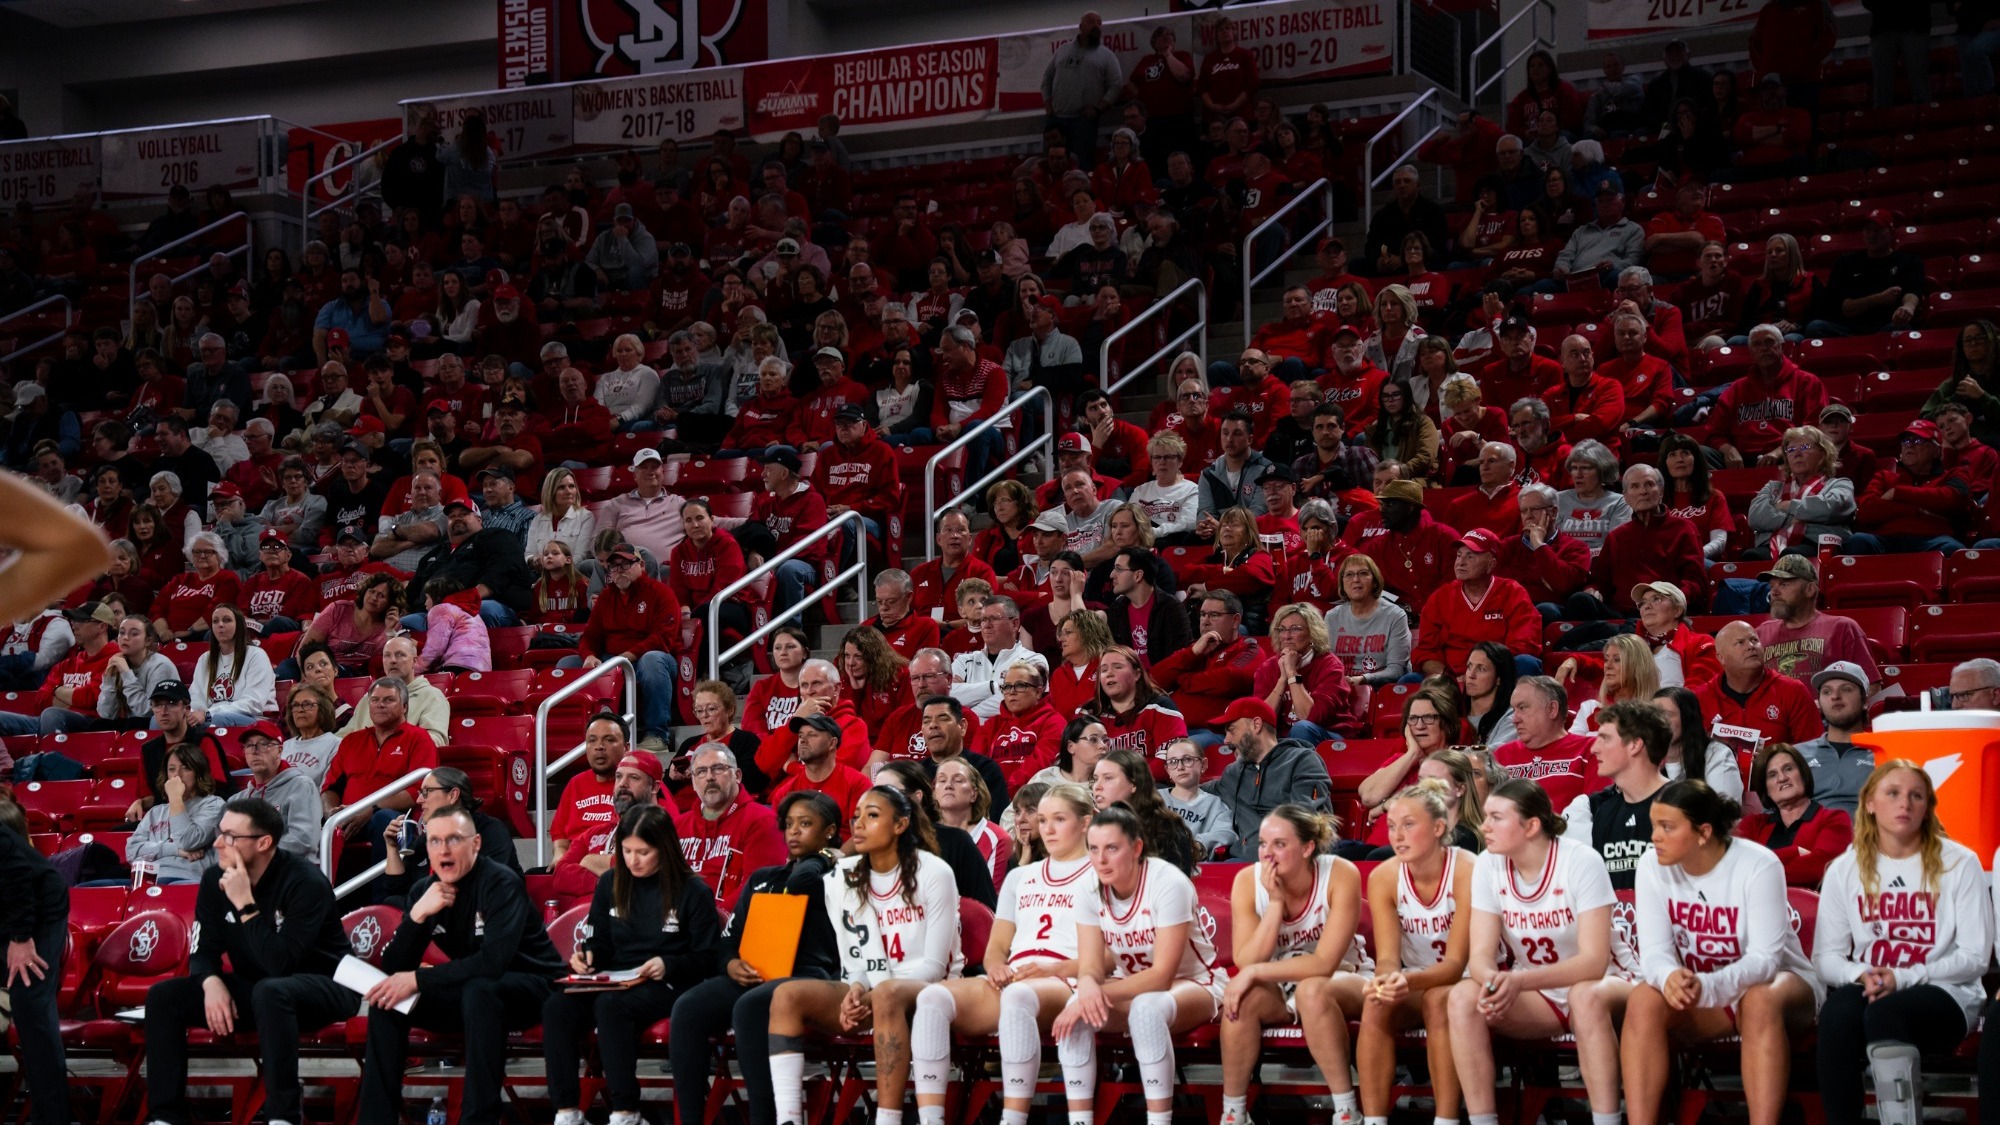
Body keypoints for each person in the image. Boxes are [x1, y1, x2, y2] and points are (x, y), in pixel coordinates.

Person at [139, 795, 354, 1125]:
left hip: (326, 985)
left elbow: (282, 964)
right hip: (260, 989)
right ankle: (166, 1117)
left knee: (272, 990)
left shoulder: (305, 883)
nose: (217, 843)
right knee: (164, 997)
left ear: (264, 842)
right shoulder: (214, 880)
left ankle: (283, 1116)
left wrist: (245, 905)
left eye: (230, 837)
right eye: (219, 832)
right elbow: (202, 951)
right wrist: (210, 983)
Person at [1625, 781, 1823, 1125]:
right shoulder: (1651, 865)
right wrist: (1670, 976)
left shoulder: (1758, 864)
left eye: (1667, 827)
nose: (1654, 836)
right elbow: (1654, 952)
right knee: (1644, 998)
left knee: (1759, 999)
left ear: (1703, 832)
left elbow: (1765, 961)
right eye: (1654, 825)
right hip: (1704, 993)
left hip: (1781, 988)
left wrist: (1709, 986)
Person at [762, 787, 961, 1125]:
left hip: (928, 991)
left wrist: (874, 994)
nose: (858, 824)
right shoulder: (842, 876)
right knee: (786, 995)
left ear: (900, 825)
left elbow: (934, 965)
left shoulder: (934, 872)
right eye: (856, 816)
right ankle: (789, 1118)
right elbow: (852, 954)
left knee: (887, 994)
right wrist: (856, 989)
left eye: (872, 815)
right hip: (871, 989)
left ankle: (888, 1117)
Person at [357, 805, 564, 1125]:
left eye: (454, 839)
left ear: (476, 844)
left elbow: (493, 963)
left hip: (533, 986)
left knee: (480, 990)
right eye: (435, 841)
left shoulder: (501, 883)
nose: (444, 849)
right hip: (474, 990)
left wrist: (419, 980)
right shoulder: (424, 892)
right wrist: (416, 917)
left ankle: (478, 1118)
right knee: (388, 1001)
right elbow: (395, 965)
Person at [1815, 760, 1991, 1125]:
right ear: (1870, 803)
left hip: (1948, 993)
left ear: (1928, 807)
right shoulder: (1844, 869)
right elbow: (1826, 958)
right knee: (1836, 1014)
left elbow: (1976, 958)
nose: (1905, 804)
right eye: (1893, 793)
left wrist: (1904, 977)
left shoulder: (1960, 863)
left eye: (1916, 796)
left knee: (1884, 1012)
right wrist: (1865, 974)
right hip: (1875, 986)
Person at [911, 781, 1094, 1125]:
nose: (1048, 829)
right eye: (1043, 820)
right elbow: (997, 947)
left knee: (1019, 996)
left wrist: (1056, 968)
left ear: (1086, 822)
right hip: (1018, 976)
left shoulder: (1102, 874)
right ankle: (931, 1118)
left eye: (1060, 819)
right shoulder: (1020, 877)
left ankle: (1013, 1118)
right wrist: (995, 967)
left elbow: (1115, 950)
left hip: (1072, 979)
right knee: (932, 998)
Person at [1447, 781, 1620, 1125]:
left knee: (1586, 998)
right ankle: (1483, 1121)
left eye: (1496, 817)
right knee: (1463, 997)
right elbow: (1480, 954)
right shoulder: (1487, 865)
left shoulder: (1581, 860)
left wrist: (1520, 981)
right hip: (1538, 992)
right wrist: (1495, 980)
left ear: (1531, 825)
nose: (1484, 827)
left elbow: (1594, 961)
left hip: (1606, 983)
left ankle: (1607, 1120)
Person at [1050, 805, 1226, 1125]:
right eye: (1093, 849)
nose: (1101, 859)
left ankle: (1159, 1120)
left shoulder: (1168, 882)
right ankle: (1079, 1120)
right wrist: (1086, 990)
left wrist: (1094, 996)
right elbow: (1090, 967)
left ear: (1137, 848)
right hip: (1132, 985)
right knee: (1077, 1011)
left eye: (1112, 848)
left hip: (1196, 983)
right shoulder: (1088, 888)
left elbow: (1162, 975)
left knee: (1146, 1009)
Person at [544, 806, 718, 1125]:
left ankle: (626, 1111)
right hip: (617, 977)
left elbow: (708, 958)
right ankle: (566, 1110)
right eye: (626, 851)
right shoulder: (611, 882)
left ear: (664, 849)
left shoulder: (693, 890)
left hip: (669, 981)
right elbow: (599, 942)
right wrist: (589, 957)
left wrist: (668, 963)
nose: (633, 860)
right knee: (558, 1005)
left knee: (612, 1006)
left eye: (643, 852)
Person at [1217, 806, 1368, 1125]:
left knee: (1312, 991)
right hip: (1281, 984)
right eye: (1262, 844)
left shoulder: (1339, 873)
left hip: (1344, 977)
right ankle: (1234, 1113)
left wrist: (1255, 973)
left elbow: (1324, 964)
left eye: (1279, 844)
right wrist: (1274, 905)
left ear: (1307, 848)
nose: (1267, 854)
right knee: (1241, 1001)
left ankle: (1346, 1111)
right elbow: (1247, 958)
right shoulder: (1248, 880)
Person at [1357, 780, 1473, 1125]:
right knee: (1376, 1001)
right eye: (1391, 826)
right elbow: (1389, 957)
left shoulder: (1468, 870)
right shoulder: (1384, 877)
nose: (1397, 836)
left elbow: (1455, 965)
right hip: (1419, 981)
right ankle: (1374, 1119)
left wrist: (1404, 979)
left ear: (1439, 828)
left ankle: (1446, 1119)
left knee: (1439, 998)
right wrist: (1387, 979)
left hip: (1470, 981)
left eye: (1409, 825)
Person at [570, 542, 681, 750]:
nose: (619, 571)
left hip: (650, 659)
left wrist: (627, 656)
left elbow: (664, 638)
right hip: (612, 658)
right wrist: (588, 655)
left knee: (652, 660)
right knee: (567, 663)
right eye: (614, 567)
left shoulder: (660, 592)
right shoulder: (606, 597)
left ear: (641, 565)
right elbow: (590, 636)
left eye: (625, 565)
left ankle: (658, 734)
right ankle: (577, 736)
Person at [320, 677, 440, 867]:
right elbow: (330, 787)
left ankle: (384, 894)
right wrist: (332, 814)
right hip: (349, 816)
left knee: (384, 820)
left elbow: (418, 790)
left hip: (394, 817)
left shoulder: (419, 739)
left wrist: (371, 809)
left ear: (405, 707)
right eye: (374, 700)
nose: (380, 705)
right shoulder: (351, 742)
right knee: (316, 824)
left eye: (389, 700)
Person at [1202, 698, 1336, 860]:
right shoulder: (1233, 773)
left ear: (1256, 725)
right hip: (1240, 862)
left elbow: (1304, 819)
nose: (1226, 740)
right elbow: (1191, 792)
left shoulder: (1302, 760)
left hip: (1290, 862)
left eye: (1231, 730)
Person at [1567, 464, 1707, 620]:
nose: (1643, 491)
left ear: (1661, 491)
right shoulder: (1616, 537)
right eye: (1635, 487)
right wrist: (1593, 590)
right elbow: (1600, 582)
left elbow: (1695, 581)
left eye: (1649, 484)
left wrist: (1670, 602)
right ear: (1625, 497)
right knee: (1580, 601)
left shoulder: (1684, 529)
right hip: (1623, 614)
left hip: (1667, 612)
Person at [1413, 528, 1543, 679]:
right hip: (1451, 679)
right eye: (1459, 555)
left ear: (1491, 563)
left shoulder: (1513, 593)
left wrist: (1480, 672)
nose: (1461, 562)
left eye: (1470, 556)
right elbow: (1425, 652)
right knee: (1409, 681)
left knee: (1526, 663)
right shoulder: (1440, 597)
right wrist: (1448, 677)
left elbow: (1524, 645)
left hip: (1498, 675)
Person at [674, 743, 787, 914]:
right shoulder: (677, 826)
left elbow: (760, 886)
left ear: (738, 775)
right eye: (701, 771)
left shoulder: (763, 821)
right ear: (693, 781)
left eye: (718, 768)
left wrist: (710, 919)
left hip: (732, 928)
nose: (709, 777)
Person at [1706, 324, 1829, 468]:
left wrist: (1780, 452)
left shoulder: (1807, 382)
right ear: (1751, 352)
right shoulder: (1736, 389)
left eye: (1769, 342)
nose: (1764, 348)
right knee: (1700, 454)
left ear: (1781, 347)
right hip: (1741, 459)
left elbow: (1814, 430)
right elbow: (1714, 433)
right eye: (1757, 344)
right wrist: (1728, 449)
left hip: (1788, 456)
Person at [1846, 419, 1974, 555]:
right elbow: (1866, 511)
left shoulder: (1955, 474)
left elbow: (1954, 499)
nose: (1909, 446)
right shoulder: (1884, 477)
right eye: (1906, 441)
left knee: (1954, 551)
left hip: (1934, 539)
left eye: (1918, 441)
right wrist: (1917, 509)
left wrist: (1898, 493)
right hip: (1886, 539)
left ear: (1937, 450)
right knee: (1857, 541)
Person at [1735, 743, 1854, 886]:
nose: (1782, 778)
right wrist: (1794, 852)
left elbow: (1819, 868)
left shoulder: (1834, 819)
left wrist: (1757, 871)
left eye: (1788, 769)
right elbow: (1733, 866)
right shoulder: (1753, 824)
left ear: (1803, 774)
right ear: (1765, 789)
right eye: (1772, 775)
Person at [1695, 621, 1821, 747]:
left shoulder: (1793, 691)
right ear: (1721, 657)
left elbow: (1813, 752)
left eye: (1754, 640)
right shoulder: (1700, 699)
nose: (1751, 646)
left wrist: (1773, 757)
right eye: (1740, 643)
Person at [1492, 676, 1599, 812]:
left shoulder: (1590, 750)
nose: (1514, 719)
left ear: (1552, 709)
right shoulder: (1501, 755)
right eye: (1514, 710)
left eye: (1523, 708)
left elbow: (1598, 811)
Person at [127, 742, 227, 884]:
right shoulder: (155, 812)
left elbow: (188, 842)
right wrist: (175, 850)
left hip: (185, 879)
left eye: (185, 768)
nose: (177, 775)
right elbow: (132, 851)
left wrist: (175, 798)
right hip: (147, 879)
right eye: (171, 769)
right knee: (93, 888)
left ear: (198, 772)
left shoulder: (213, 805)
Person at [1748, 424, 1854, 558]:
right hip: (1770, 546)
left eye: (1804, 447)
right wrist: (1800, 518)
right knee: (1751, 556)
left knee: (1792, 556)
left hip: (1815, 545)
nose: (1797, 454)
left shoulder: (1840, 485)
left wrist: (1787, 506)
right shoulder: (1773, 487)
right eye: (1791, 449)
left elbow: (1830, 508)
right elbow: (1755, 517)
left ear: (1822, 456)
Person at [235, 720, 323, 862]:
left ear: (280, 750)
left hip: (293, 871)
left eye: (263, 744)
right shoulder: (238, 800)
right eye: (249, 745)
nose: (254, 750)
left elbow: (303, 841)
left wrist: (254, 851)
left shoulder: (301, 787)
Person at [185, 603, 275, 728]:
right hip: (212, 718)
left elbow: (253, 703)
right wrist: (194, 715)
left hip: (255, 718)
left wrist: (208, 714)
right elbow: (196, 697)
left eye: (227, 620)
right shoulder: (205, 659)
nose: (220, 624)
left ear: (239, 625)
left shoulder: (256, 655)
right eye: (215, 621)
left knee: (221, 719)